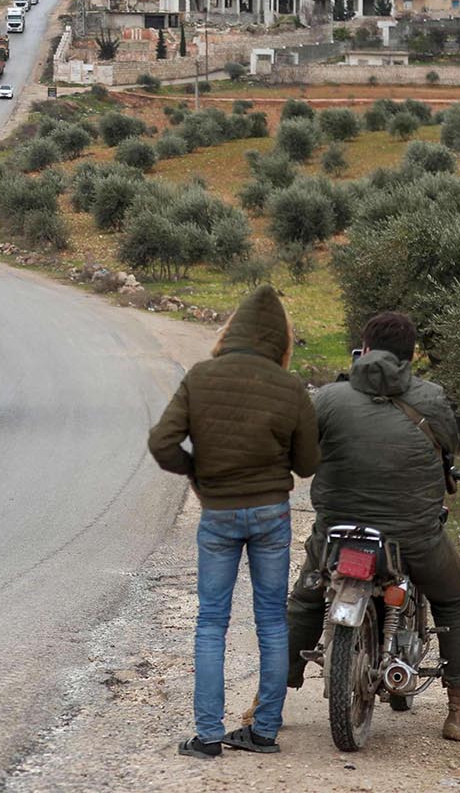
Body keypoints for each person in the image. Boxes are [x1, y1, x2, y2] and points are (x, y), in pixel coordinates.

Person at [286, 311, 460, 742]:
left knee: (307, 598)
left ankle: (268, 694)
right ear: (411, 354)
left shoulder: (327, 397)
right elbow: (450, 449)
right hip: (411, 536)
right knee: (456, 599)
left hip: (336, 534)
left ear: (363, 348)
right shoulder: (433, 398)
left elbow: (302, 454)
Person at [148, 285, 320, 759]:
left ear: (233, 330)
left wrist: (196, 472)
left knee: (211, 623)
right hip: (271, 514)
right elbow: (307, 465)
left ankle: (206, 737)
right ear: (279, 340)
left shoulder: (201, 377)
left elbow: (162, 442)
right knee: (270, 620)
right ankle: (264, 731)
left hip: (219, 513)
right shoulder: (290, 388)